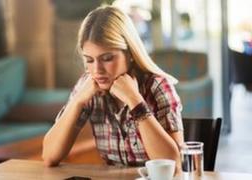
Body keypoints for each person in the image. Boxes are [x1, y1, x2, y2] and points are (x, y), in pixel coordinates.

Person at [42, 5, 184, 174]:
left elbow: (174, 166)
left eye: (107, 58)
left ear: (130, 53)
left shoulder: (157, 86)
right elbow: (49, 156)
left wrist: (135, 101)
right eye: (89, 60)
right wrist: (78, 101)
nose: (97, 70)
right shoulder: (89, 86)